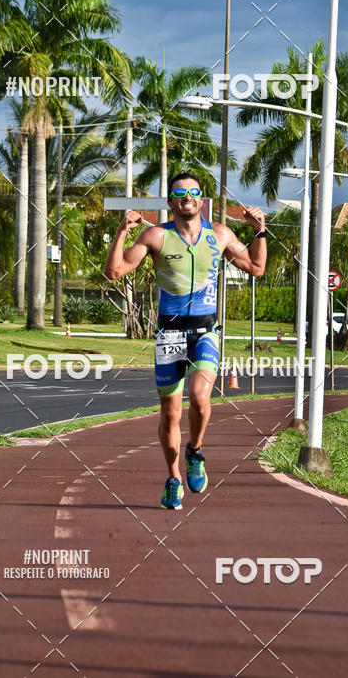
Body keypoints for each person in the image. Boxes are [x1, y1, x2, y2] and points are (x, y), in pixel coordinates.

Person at [104, 171, 267, 510]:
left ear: (201, 199)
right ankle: (173, 478)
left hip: (206, 330)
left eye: (193, 192)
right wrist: (121, 231)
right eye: (180, 192)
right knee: (170, 413)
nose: (187, 197)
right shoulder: (156, 236)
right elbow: (115, 272)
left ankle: (195, 450)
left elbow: (256, 267)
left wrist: (259, 230)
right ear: (171, 201)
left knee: (200, 397)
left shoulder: (219, 235)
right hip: (169, 334)